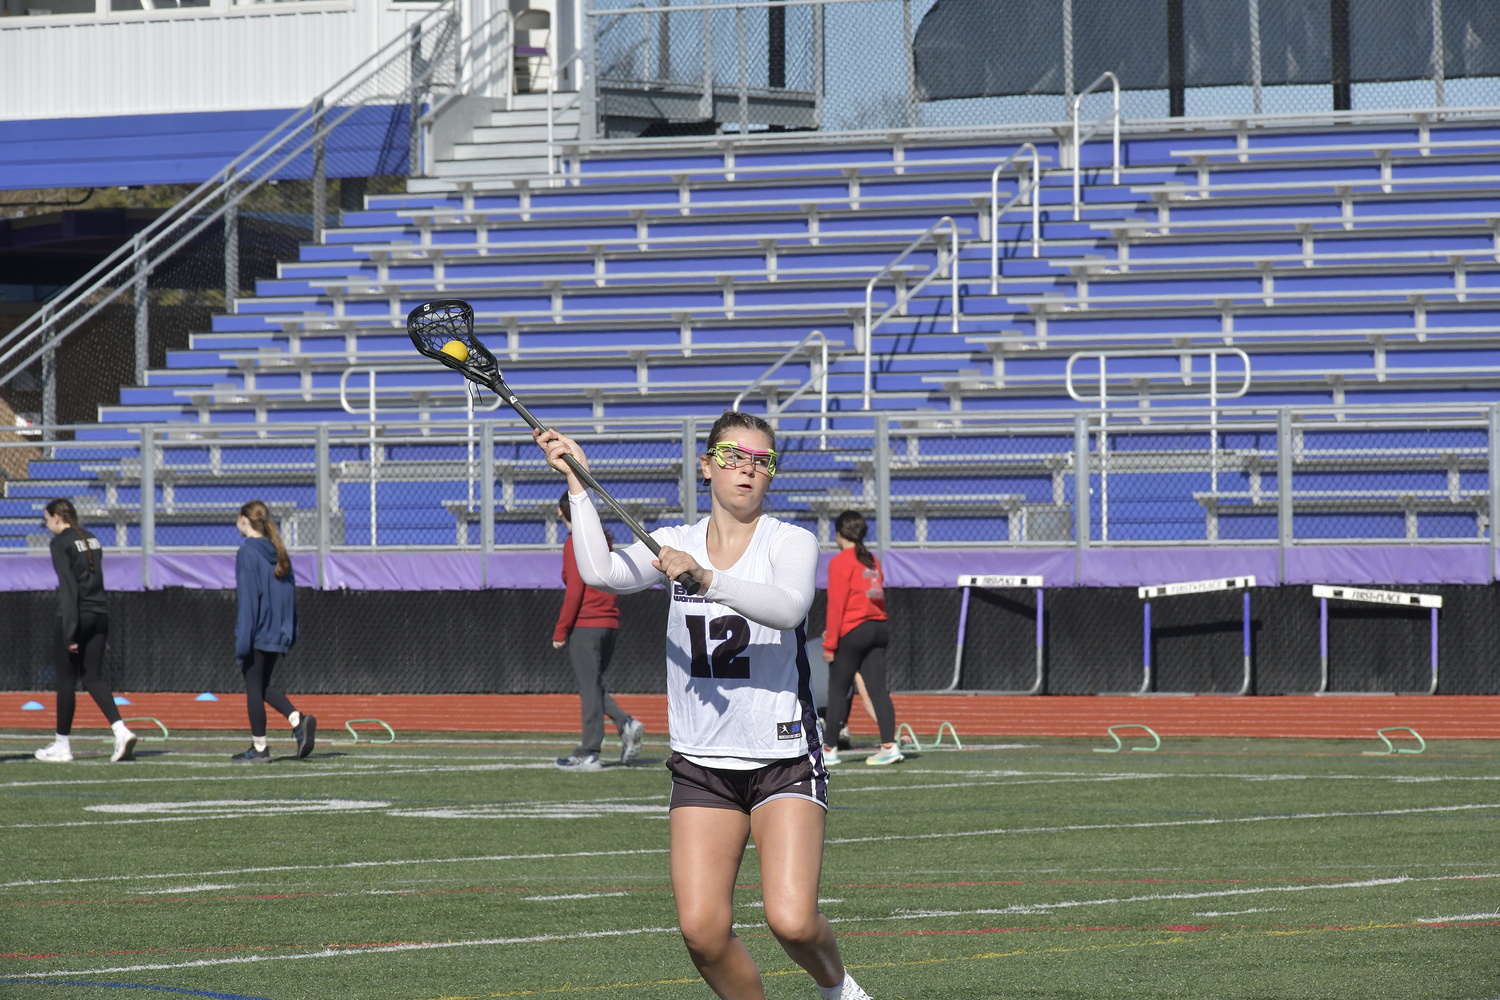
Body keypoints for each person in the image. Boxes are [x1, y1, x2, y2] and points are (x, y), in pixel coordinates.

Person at [535, 411, 875, 1000]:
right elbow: (601, 571)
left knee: (791, 921)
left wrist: (708, 578)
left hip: (783, 757)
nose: (745, 469)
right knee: (702, 933)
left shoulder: (789, 540)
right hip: (702, 764)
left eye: (759, 461)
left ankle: (838, 986)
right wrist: (578, 485)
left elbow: (790, 608)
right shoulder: (673, 542)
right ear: (706, 465)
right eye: (732, 457)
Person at [34, 499, 136, 763]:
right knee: (92, 677)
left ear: (57, 517)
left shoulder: (60, 543)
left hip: (78, 615)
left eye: (47, 519)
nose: (47, 525)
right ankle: (120, 730)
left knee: (66, 680)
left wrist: (70, 630)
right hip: (100, 613)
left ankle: (62, 745)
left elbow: (69, 588)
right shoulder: (91, 538)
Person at [552, 489, 646, 771]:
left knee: (587, 687)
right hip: (609, 623)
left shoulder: (574, 543)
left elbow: (575, 591)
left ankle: (589, 750)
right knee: (592, 685)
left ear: (560, 513)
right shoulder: (601, 541)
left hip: (587, 624)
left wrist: (561, 629)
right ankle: (625, 723)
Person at [232, 500, 315, 763]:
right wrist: (290, 631)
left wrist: (243, 641)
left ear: (244, 519)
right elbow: (290, 597)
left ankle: (259, 748)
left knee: (253, 689)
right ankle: (297, 719)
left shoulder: (247, 552)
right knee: (261, 685)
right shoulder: (278, 551)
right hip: (276, 632)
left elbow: (248, 601)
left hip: (257, 632)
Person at [821, 511, 900, 766]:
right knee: (878, 690)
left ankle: (829, 749)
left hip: (854, 630)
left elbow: (836, 606)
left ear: (840, 533)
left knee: (838, 689)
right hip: (878, 627)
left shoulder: (840, 561)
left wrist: (830, 644)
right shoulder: (872, 560)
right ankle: (890, 745)